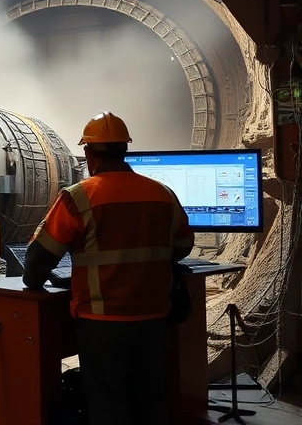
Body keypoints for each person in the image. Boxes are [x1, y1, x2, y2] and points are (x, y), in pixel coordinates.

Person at [22, 111, 194, 425]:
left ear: (88, 153)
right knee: (153, 399)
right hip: (155, 319)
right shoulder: (163, 193)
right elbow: (183, 247)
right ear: (124, 149)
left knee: (108, 405)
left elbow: (38, 260)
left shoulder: (78, 198)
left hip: (102, 322)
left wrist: (34, 280)